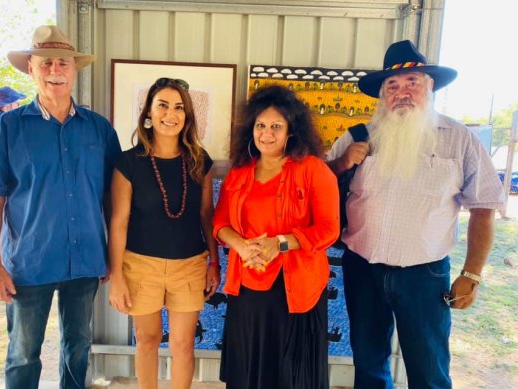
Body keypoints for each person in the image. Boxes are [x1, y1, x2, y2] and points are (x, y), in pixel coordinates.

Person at [326, 40, 505, 388]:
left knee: (429, 369)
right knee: (369, 363)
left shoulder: (460, 140)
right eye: (392, 85)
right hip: (363, 269)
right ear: (382, 94)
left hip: (424, 277)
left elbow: (484, 207)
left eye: (413, 82)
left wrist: (472, 274)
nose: (402, 92)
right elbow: (317, 184)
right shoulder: (357, 137)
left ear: (430, 86)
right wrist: (344, 162)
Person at [0, 25, 121, 389]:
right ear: (31, 69)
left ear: (74, 69)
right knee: (23, 353)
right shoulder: (5, 129)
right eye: (46, 62)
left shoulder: (99, 130)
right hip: (27, 262)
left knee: (78, 347)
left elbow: (114, 199)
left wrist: (114, 256)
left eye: (63, 63)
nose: (56, 70)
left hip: (84, 261)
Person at [213, 84, 340, 389]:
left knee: (290, 374)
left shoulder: (314, 170)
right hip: (248, 282)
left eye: (275, 126)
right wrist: (241, 246)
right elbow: (219, 223)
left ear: (291, 132)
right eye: (260, 125)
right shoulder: (240, 171)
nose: (266, 133)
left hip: (295, 287)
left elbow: (329, 229)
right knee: (249, 368)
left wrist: (280, 243)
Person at [107, 77, 220, 389]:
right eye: (163, 105)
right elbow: (119, 221)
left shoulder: (200, 160)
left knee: (183, 345)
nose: (171, 113)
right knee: (147, 339)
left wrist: (214, 262)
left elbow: (206, 214)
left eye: (179, 107)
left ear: (187, 116)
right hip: (140, 265)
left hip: (190, 265)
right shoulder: (128, 162)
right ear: (149, 113)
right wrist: (116, 277)